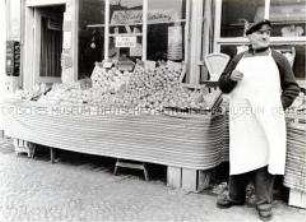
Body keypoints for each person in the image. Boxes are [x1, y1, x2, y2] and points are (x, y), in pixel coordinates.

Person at [217, 19, 300, 221]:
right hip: (243, 119)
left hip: (268, 119)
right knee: (240, 153)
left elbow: (292, 88)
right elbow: (223, 86)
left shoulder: (278, 59)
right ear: (250, 36)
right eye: (260, 33)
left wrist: (278, 107)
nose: (265, 37)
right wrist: (229, 79)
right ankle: (235, 196)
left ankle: (263, 202)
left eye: (268, 33)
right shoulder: (238, 58)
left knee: (264, 157)